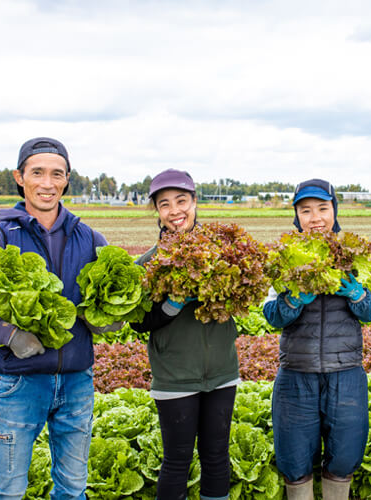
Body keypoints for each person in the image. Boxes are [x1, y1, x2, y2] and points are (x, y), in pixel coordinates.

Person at [0, 137, 115, 499]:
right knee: (7, 491)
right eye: (37, 173)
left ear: (67, 180)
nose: (48, 183)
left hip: (77, 381)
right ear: (20, 177)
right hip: (19, 385)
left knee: (73, 489)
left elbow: (111, 299)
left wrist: (109, 317)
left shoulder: (90, 238)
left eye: (57, 174)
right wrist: (8, 334)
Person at [262, 178, 371, 500]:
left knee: (345, 455)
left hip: (346, 372)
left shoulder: (354, 255)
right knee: (294, 456)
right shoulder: (284, 258)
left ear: (334, 211)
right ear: (296, 216)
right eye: (306, 210)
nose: (315, 218)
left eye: (322, 209)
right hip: (296, 373)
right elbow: (271, 315)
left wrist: (357, 294)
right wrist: (293, 300)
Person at [129, 168, 239, 500]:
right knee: (177, 461)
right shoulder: (148, 265)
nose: (175, 211)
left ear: (195, 202)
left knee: (217, 459)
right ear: (157, 212)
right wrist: (173, 304)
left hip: (222, 372)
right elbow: (138, 322)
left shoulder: (225, 252)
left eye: (182, 200)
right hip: (174, 377)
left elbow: (246, 297)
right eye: (165, 204)